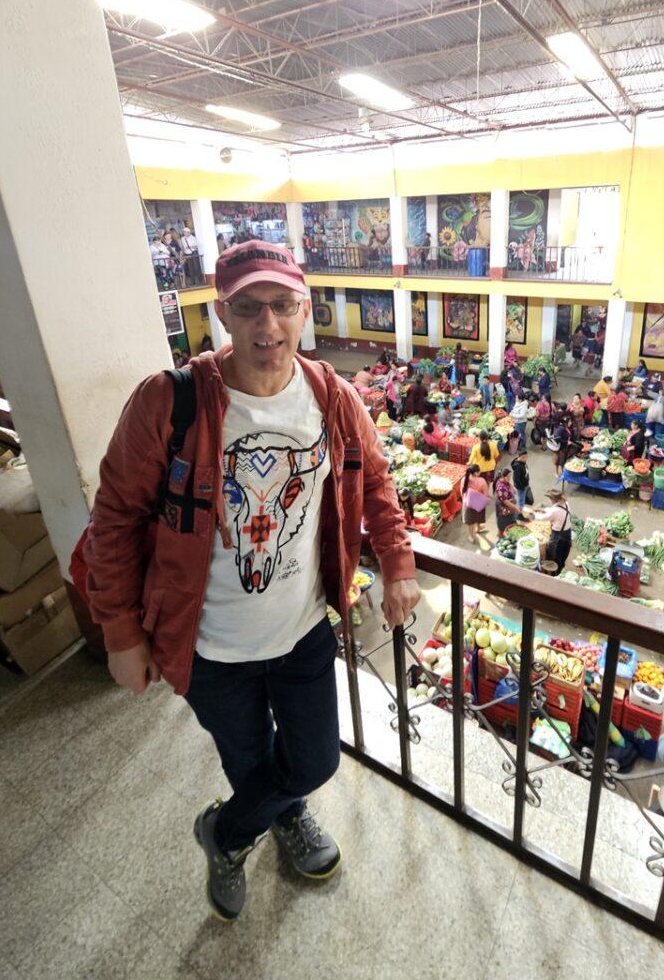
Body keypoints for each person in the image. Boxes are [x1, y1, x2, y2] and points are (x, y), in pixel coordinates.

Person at [83, 241, 420, 921]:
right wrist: (120, 633)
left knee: (315, 759)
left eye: (282, 305)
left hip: (302, 632)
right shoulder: (170, 403)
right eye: (248, 308)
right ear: (223, 313)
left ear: (305, 310)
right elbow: (113, 520)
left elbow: (377, 482)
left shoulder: (332, 396)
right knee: (248, 758)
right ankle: (286, 819)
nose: (268, 325)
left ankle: (227, 832)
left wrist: (398, 563)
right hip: (209, 648)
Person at [538, 489, 572, 572]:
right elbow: (554, 511)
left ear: (554, 500)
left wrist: (534, 514)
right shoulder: (566, 504)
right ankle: (561, 567)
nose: (550, 500)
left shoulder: (554, 511)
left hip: (558, 535)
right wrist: (545, 510)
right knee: (564, 551)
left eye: (550, 499)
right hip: (568, 532)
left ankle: (553, 570)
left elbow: (542, 518)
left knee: (553, 552)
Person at [494, 467, 526, 539]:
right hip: (504, 508)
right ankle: (501, 536)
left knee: (509, 520)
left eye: (510, 476)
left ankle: (501, 533)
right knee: (503, 523)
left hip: (508, 507)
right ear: (503, 476)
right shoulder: (501, 487)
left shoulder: (504, 481)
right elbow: (505, 501)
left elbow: (510, 485)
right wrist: (516, 508)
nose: (509, 478)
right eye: (508, 476)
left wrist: (513, 490)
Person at [462, 465, 490, 546]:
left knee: (470, 522)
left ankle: (472, 537)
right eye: (479, 471)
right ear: (475, 473)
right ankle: (478, 529)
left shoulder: (465, 479)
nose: (480, 472)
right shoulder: (482, 481)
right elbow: (486, 494)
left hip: (468, 504)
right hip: (479, 504)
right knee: (479, 517)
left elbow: (462, 492)